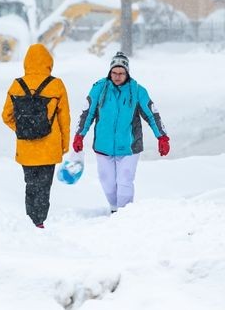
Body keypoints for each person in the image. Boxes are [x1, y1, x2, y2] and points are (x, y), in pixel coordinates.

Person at [72, 51, 169, 213]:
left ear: (127, 73)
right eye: (114, 72)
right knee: (107, 182)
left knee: (125, 180)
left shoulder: (137, 91)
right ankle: (114, 208)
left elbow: (152, 114)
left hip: (130, 146)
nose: (117, 76)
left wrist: (162, 137)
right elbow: (86, 113)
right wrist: (79, 135)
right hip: (103, 146)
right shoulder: (99, 89)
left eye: (121, 73)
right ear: (110, 72)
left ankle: (124, 213)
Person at [1, 43, 71, 228]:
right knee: (44, 186)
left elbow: (5, 116)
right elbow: (65, 118)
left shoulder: (17, 84)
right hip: (50, 146)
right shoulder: (56, 84)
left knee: (30, 184)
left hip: (26, 147)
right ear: (49, 62)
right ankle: (39, 221)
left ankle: (31, 220)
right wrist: (64, 144)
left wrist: (22, 128)